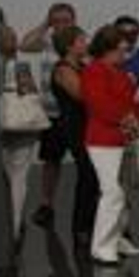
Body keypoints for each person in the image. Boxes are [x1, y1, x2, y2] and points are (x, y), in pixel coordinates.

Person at [81, 24, 139, 267]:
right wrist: (128, 119)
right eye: (121, 43)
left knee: (123, 193)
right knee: (113, 192)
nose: (126, 47)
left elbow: (132, 100)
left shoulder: (116, 70)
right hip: (103, 140)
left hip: (122, 137)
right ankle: (101, 246)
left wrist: (136, 117)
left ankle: (116, 239)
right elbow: (99, 105)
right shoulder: (95, 70)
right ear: (109, 47)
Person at [34, 25, 98, 239]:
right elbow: (82, 95)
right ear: (70, 45)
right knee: (87, 174)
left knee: (91, 176)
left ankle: (87, 225)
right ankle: (81, 228)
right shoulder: (63, 69)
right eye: (82, 40)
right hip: (75, 126)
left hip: (86, 125)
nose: (86, 44)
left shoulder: (80, 65)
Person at [0, 25, 45, 242]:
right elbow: (30, 96)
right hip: (23, 127)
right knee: (19, 178)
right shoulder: (20, 66)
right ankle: (14, 227)